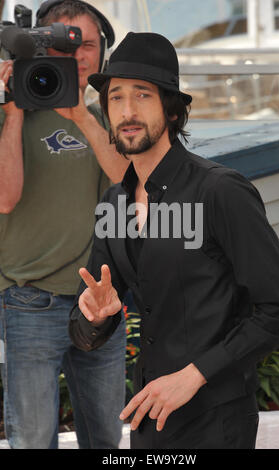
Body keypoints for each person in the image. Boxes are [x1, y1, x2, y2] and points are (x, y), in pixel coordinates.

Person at [69, 31, 279, 449]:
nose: (127, 111)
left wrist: (195, 374)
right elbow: (86, 327)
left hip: (217, 421)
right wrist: (97, 316)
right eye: (116, 98)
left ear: (172, 111)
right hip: (149, 419)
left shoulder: (221, 192)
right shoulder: (114, 203)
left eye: (142, 95)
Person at [0, 0, 129, 449]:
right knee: (33, 440)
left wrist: (82, 118)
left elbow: (126, 183)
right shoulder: (7, 114)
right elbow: (5, 197)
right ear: (36, 49)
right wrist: (14, 110)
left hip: (98, 299)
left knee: (106, 439)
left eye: (86, 45)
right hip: (28, 300)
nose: (74, 56)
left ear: (101, 54)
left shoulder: (109, 114)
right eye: (59, 45)